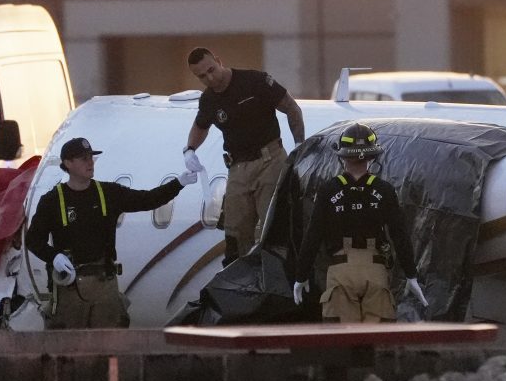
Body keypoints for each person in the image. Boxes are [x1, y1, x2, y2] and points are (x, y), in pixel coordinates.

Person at [26, 137, 197, 329]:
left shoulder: (107, 193)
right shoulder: (52, 201)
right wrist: (54, 256)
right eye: (83, 159)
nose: (90, 162)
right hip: (70, 286)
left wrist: (179, 183)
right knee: (70, 345)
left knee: (112, 340)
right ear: (68, 163)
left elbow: (147, 200)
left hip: (104, 282)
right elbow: (32, 240)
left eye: (91, 157)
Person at [292, 123, 428, 322]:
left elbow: (313, 234)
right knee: (377, 339)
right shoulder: (384, 190)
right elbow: (399, 234)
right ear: (372, 157)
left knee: (343, 340)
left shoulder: (328, 191)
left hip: (340, 270)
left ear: (342, 156)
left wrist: (301, 276)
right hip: (376, 271)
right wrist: (411, 275)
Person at [183, 47, 305, 264]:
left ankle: (279, 279)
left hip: (270, 160)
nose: (210, 78)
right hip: (238, 167)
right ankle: (237, 282)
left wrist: (299, 145)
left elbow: (291, 108)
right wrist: (190, 149)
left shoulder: (254, 81)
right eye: (202, 76)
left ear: (219, 61)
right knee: (235, 231)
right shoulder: (209, 100)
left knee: (273, 225)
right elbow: (201, 125)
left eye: (211, 70)